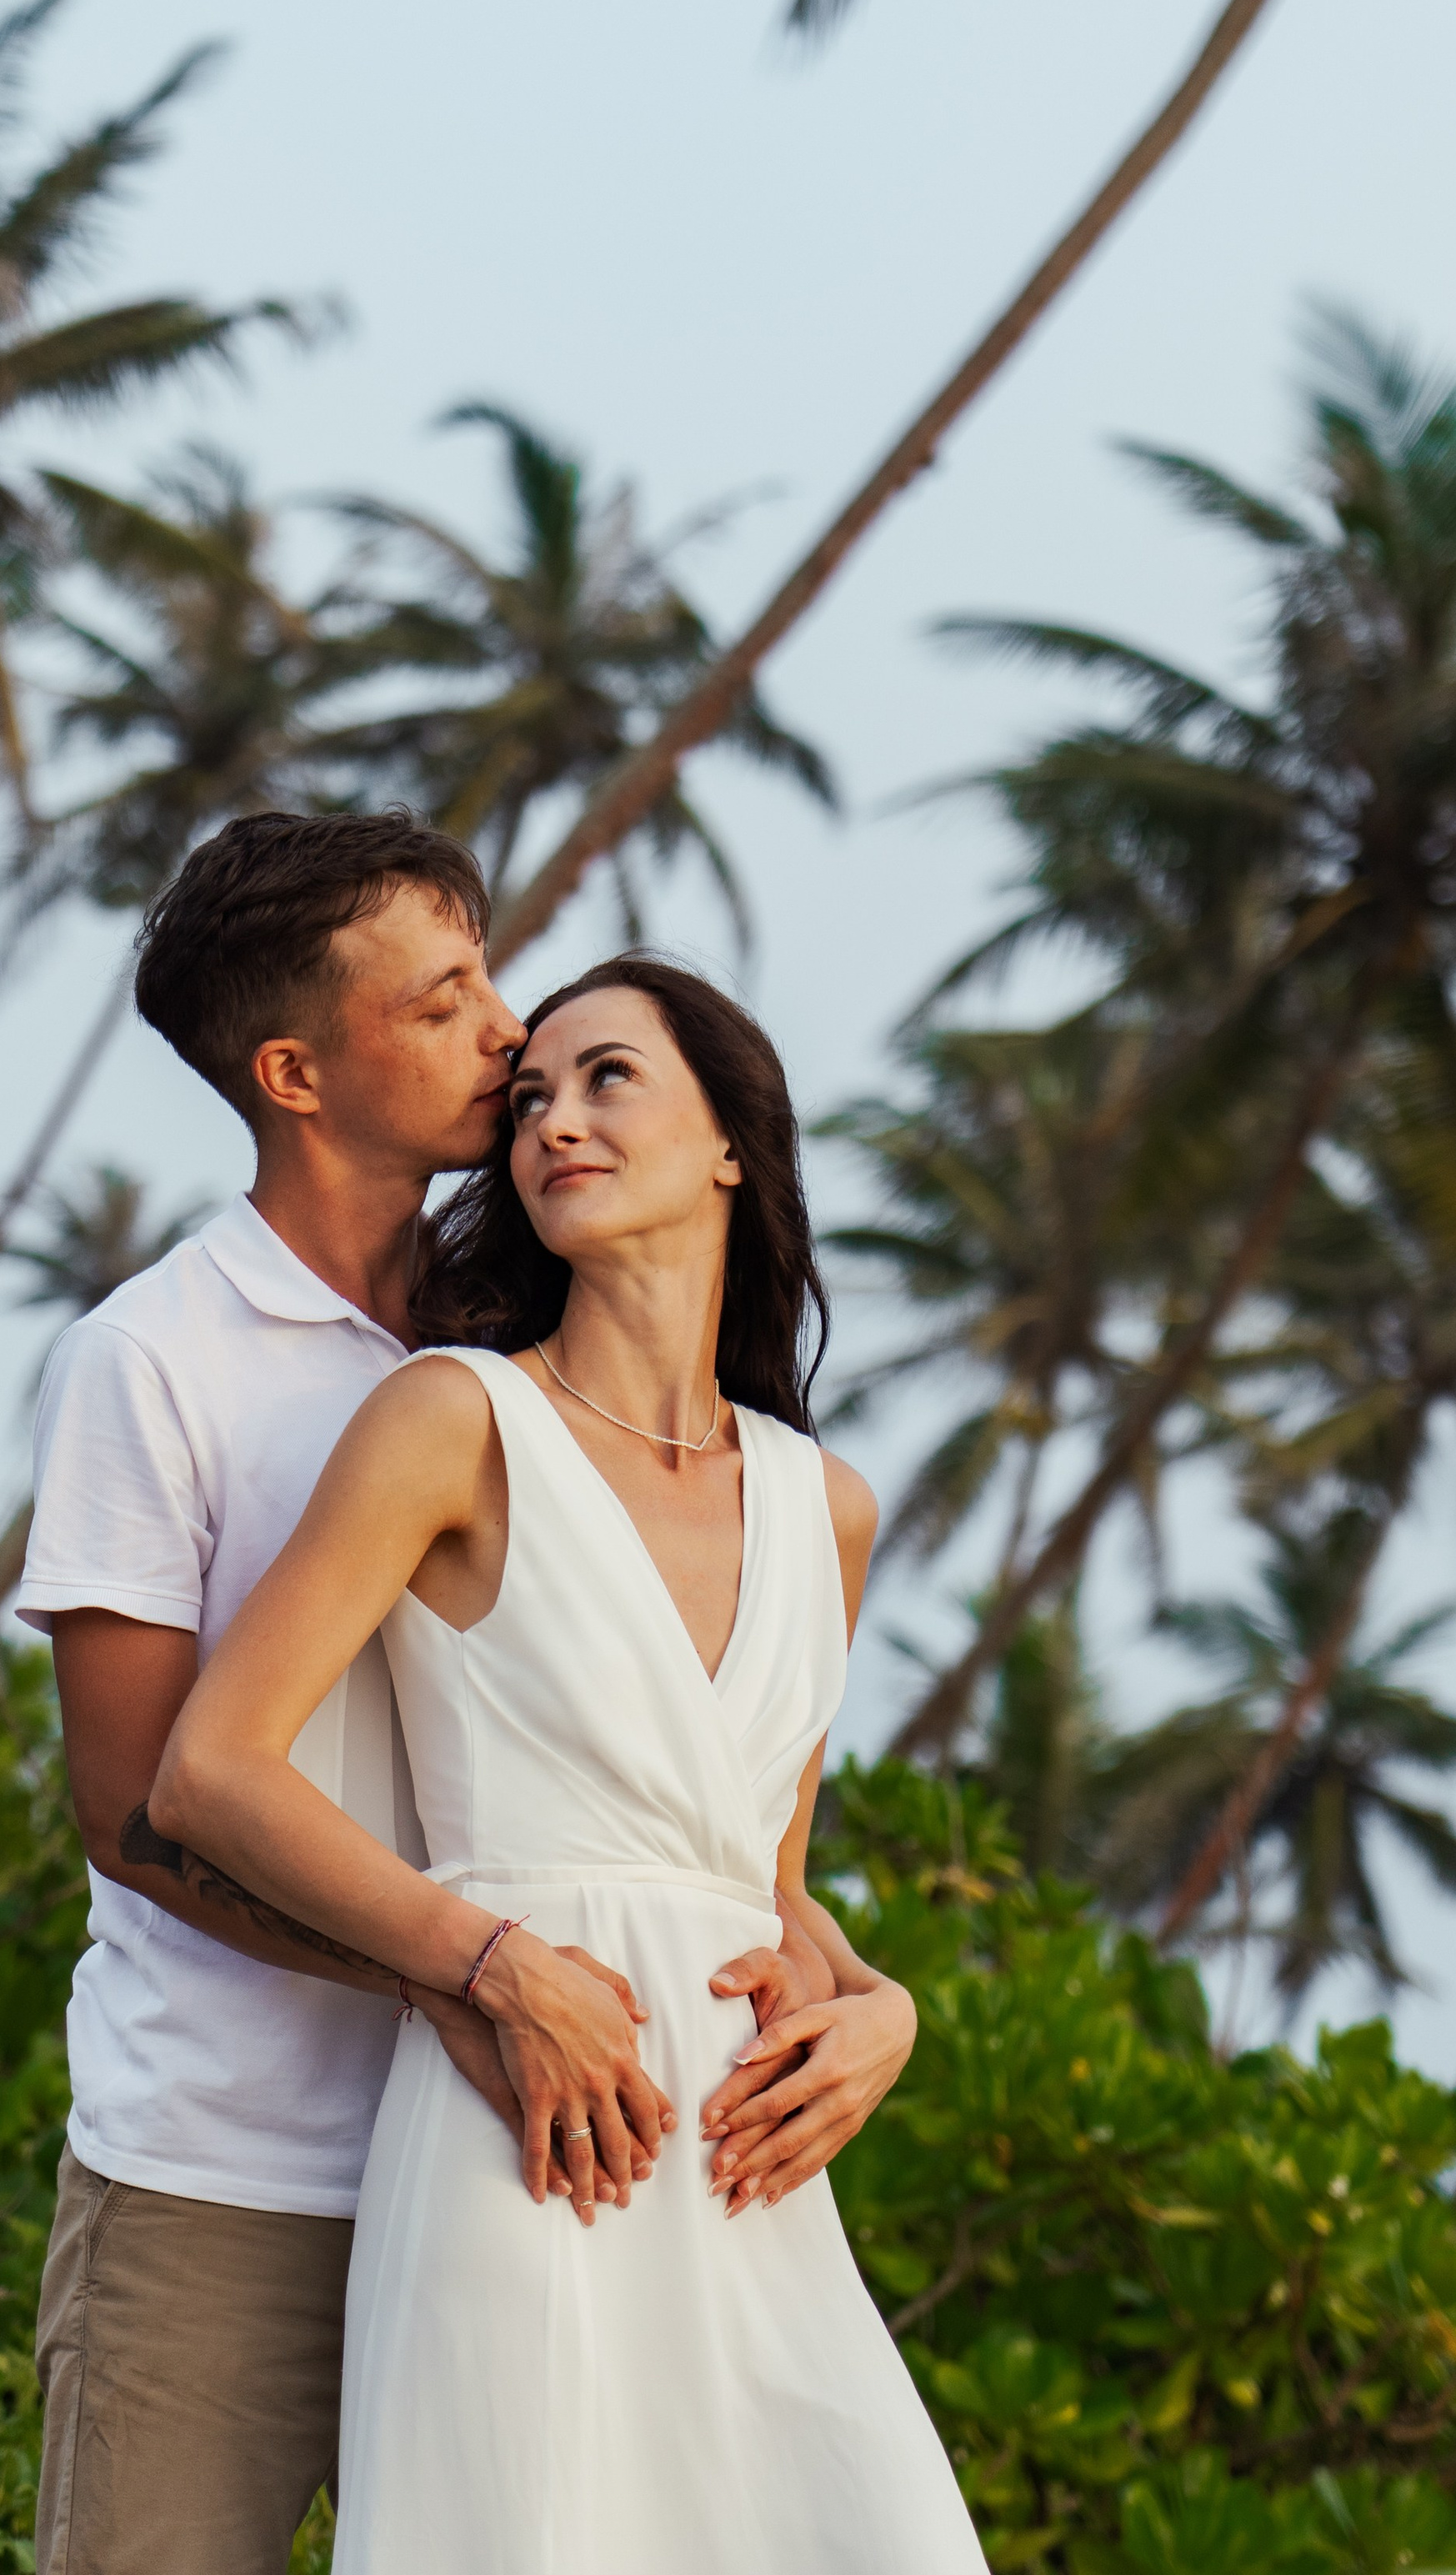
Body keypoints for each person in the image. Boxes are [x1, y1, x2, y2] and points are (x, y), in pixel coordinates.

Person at [19, 815, 808, 2575]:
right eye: (445, 999)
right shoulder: (150, 1363)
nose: (506, 1031)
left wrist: (856, 1992)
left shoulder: (527, 1346)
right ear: (295, 1070)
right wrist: (464, 1970)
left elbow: (682, 1797)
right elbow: (138, 1812)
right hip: (231, 2173)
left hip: (527, 2176)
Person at [151, 955, 985, 2571]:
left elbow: (758, 1883)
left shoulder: (828, 1508)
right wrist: (493, 1967)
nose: (552, 1120)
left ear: (733, 1138)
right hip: (526, 2149)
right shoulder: (451, 1418)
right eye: (529, 1097)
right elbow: (212, 1770)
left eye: (607, 1078)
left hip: (747, 2183)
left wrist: (881, 2007)